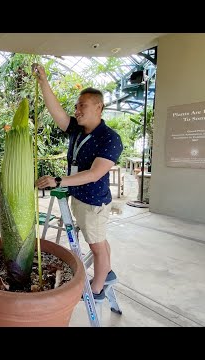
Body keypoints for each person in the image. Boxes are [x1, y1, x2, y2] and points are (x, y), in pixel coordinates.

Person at [33, 63, 123, 301]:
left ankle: (98, 289)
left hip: (93, 202)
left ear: (98, 107)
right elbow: (57, 112)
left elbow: (94, 174)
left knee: (96, 244)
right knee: (99, 241)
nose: (77, 110)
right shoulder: (77, 130)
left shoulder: (110, 139)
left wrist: (58, 180)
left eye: (82, 105)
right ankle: (108, 273)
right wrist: (43, 81)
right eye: (76, 106)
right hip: (79, 198)